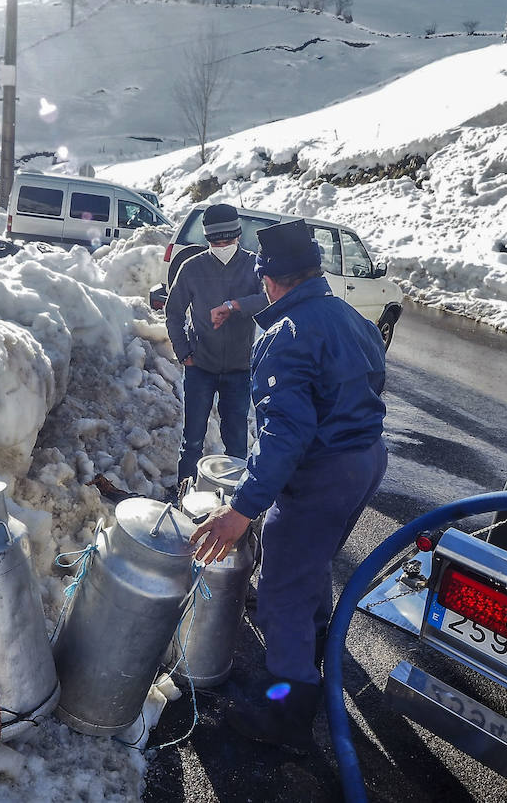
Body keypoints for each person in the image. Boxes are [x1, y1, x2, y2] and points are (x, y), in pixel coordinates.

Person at [190, 218, 388, 752]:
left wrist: (242, 510)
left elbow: (285, 435)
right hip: (367, 458)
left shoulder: (287, 337)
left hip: (322, 472)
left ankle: (287, 713)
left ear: (271, 279)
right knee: (312, 559)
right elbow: (372, 383)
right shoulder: (349, 317)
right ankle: (317, 643)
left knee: (280, 586)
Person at [165, 203, 268, 488]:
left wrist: (235, 305)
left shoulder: (253, 265)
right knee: (193, 439)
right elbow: (173, 312)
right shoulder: (191, 268)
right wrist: (184, 352)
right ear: (207, 240)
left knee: (236, 440)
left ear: (238, 236)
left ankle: (234, 501)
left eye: (228, 240)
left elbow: (268, 298)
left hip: (239, 369)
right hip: (200, 367)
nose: (222, 245)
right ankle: (184, 494)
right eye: (216, 241)